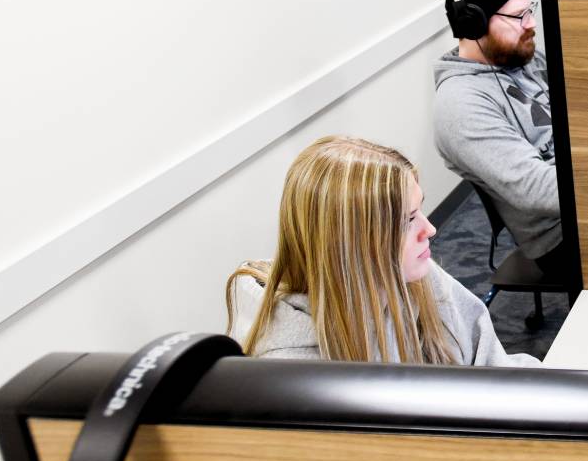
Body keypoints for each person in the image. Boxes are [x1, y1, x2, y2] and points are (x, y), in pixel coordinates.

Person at [226, 136, 540, 366]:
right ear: (353, 246)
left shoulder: (414, 272)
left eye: (421, 210)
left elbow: (490, 364)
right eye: (409, 220)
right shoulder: (294, 367)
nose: (429, 230)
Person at [432, 0, 564, 272]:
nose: (531, 23)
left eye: (529, 10)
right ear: (473, 23)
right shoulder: (461, 105)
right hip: (562, 237)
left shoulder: (520, 56)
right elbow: (538, 191)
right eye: (518, 16)